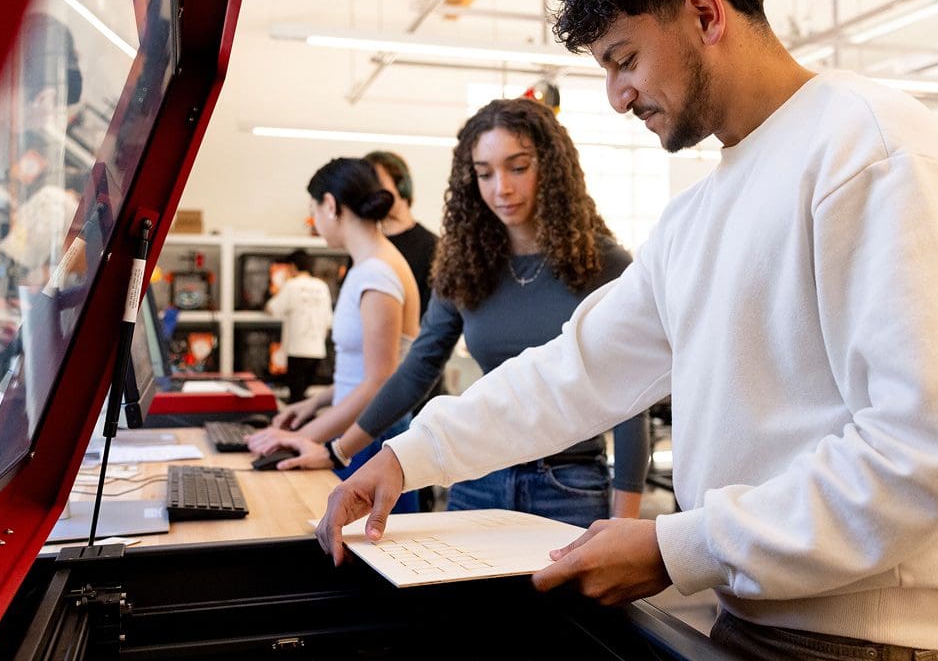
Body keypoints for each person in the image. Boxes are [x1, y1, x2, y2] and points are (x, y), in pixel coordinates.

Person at [315, 0, 938, 661]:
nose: (619, 96)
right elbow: (577, 370)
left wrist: (673, 544)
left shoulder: (872, 150)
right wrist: (412, 455)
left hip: (888, 654)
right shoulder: (700, 211)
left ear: (704, 13)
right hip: (758, 617)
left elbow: (920, 456)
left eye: (625, 59)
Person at [263, 99, 649, 528]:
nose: (500, 187)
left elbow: (631, 399)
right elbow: (417, 368)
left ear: (552, 168)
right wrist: (338, 450)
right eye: (485, 173)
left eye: (517, 168)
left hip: (566, 484)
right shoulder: (464, 263)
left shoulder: (606, 264)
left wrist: (624, 523)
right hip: (477, 475)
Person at [248, 158, 420, 510]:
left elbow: (379, 382)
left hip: (372, 437)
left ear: (331, 204)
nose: (314, 222)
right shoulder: (370, 265)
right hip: (361, 430)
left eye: (314, 211)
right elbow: (365, 371)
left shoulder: (377, 274)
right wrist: (315, 403)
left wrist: (299, 437)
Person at [364, 150, 438, 317]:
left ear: (401, 185)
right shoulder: (365, 245)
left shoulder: (431, 246)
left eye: (379, 184)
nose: (372, 193)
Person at [264, 250, 333, 402]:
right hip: (317, 349)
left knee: (295, 395)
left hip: (297, 349)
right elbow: (329, 321)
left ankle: (295, 424)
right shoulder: (322, 286)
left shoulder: (292, 285)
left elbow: (271, 308)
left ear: (293, 266)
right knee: (304, 394)